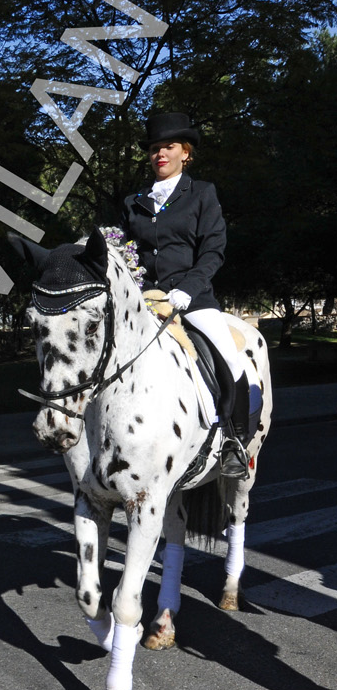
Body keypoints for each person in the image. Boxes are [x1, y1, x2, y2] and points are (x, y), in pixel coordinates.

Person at [123, 111, 251, 478]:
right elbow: (124, 251)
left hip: (192, 299)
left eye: (168, 147)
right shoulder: (133, 202)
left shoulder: (202, 193)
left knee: (230, 358)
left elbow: (213, 251)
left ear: (186, 153)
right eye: (153, 149)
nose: (159, 153)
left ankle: (233, 441)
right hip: (146, 300)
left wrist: (186, 291)